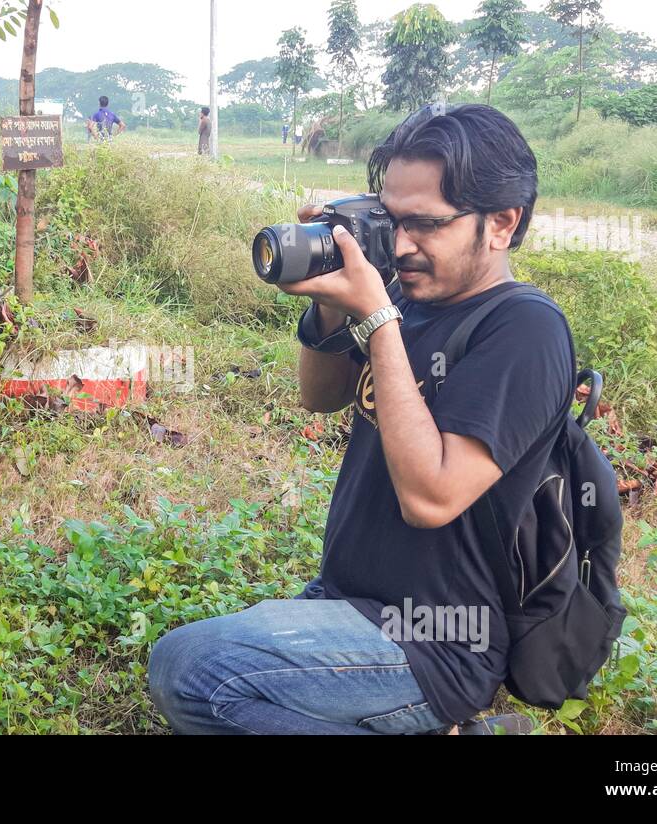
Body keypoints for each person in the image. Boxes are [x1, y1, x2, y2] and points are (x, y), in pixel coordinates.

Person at [147, 104, 570, 735]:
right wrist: (327, 305)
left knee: (193, 671)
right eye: (390, 219)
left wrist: (376, 318)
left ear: (502, 223)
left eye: (426, 225)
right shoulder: (402, 290)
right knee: (199, 670)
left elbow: (432, 497)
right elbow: (321, 397)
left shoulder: (525, 329)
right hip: (349, 598)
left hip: (438, 639)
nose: (400, 247)